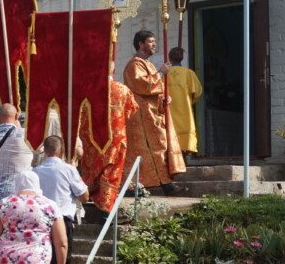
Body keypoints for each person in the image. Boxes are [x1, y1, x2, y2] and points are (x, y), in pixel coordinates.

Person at [33, 135, 89, 264]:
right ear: (62, 150)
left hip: (40, 222)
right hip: (62, 221)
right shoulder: (68, 170)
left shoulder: (36, 171)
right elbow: (84, 196)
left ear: (45, 150)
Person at [123, 30, 186, 194]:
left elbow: (157, 87)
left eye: (154, 41)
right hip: (142, 117)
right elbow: (142, 85)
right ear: (141, 44)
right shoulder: (134, 64)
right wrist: (161, 73)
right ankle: (162, 185)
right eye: (151, 41)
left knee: (160, 147)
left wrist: (166, 97)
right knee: (153, 148)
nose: (154, 44)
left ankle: (165, 183)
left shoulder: (149, 64)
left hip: (153, 114)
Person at [79, 62, 139, 216]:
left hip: (92, 138)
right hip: (115, 136)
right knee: (111, 168)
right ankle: (105, 207)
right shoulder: (123, 89)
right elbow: (131, 111)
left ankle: (89, 195)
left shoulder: (86, 90)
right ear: (114, 70)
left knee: (93, 166)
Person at [167, 47, 203, 160]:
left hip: (169, 109)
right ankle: (185, 151)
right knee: (186, 129)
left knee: (171, 131)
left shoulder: (165, 73)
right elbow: (197, 91)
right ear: (182, 58)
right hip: (185, 108)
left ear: (169, 58)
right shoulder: (188, 73)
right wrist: (191, 100)